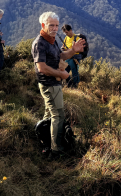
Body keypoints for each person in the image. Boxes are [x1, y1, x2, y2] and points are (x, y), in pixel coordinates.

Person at [31, 12, 85, 160]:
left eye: (56, 25)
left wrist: (73, 50)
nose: (55, 28)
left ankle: (45, 141)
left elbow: (60, 56)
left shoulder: (52, 40)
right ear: (43, 25)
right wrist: (61, 75)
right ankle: (56, 150)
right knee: (58, 116)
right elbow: (41, 67)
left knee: (50, 114)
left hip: (54, 83)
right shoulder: (39, 43)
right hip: (50, 85)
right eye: (51, 25)